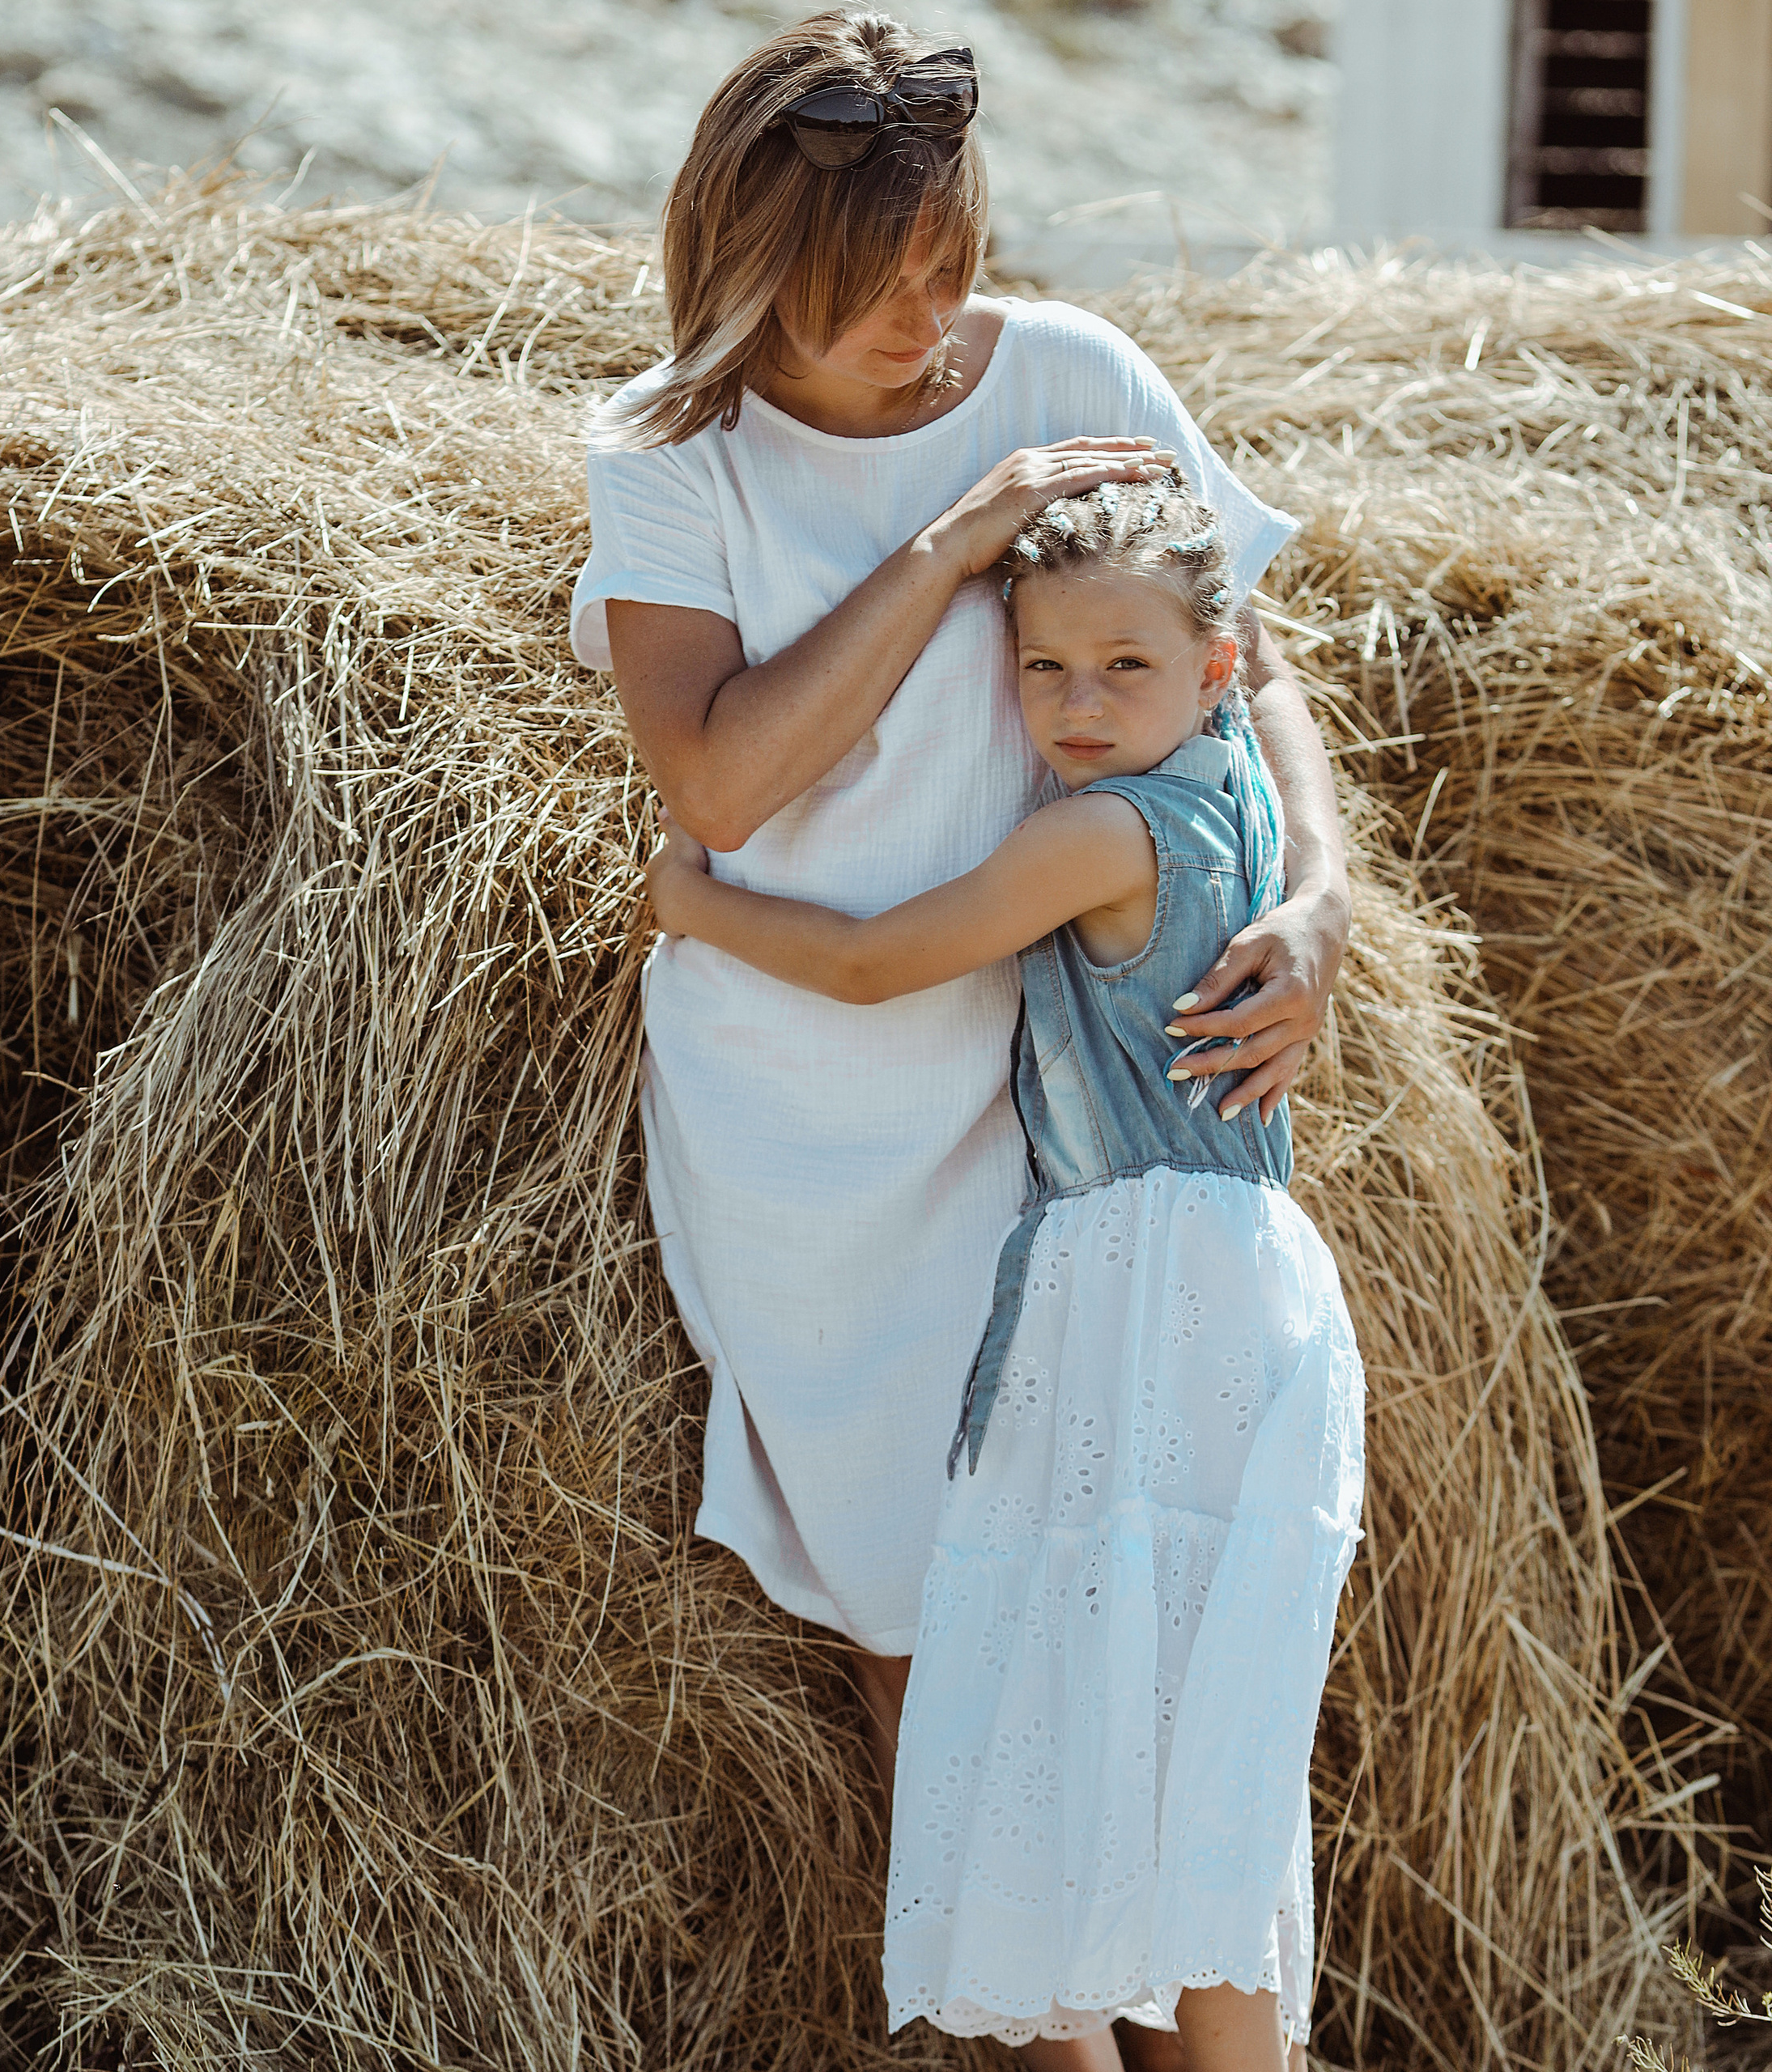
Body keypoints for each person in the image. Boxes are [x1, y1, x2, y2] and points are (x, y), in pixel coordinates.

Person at [569, 14, 1353, 2067]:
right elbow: (720, 789)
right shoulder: (672, 464)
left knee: (1147, 1653)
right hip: (818, 1115)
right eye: (879, 289)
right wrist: (954, 532)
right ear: (753, 272)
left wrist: (1322, 893)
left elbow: (1243, 652)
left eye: (954, 262)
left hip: (1070, 1096)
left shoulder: (1076, 368)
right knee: (950, 1665)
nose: (936, 321)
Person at [644, 478, 1366, 2070]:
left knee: (1053, 1725)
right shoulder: (1233, 791)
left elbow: (869, 959)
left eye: (1121, 666)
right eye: (1042, 669)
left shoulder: (1102, 830)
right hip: (1245, 1288)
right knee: (1196, 1779)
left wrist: (697, 899)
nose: (1077, 702)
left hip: (1148, 1300)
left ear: (1213, 668)